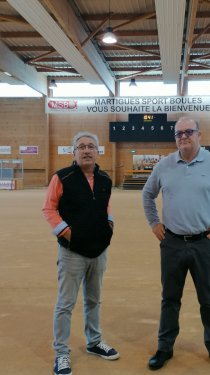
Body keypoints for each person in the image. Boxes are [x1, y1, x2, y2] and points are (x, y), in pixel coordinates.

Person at [142, 117, 210, 374]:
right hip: (172, 243)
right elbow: (147, 194)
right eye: (179, 133)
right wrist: (155, 221)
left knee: (209, 300)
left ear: (199, 134)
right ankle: (164, 348)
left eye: (188, 132)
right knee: (170, 299)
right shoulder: (164, 165)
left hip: (204, 244)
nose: (183, 136)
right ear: (175, 137)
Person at [42, 131, 119, 375]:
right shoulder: (62, 177)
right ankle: (61, 354)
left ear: (98, 152)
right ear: (74, 152)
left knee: (94, 300)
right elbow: (49, 208)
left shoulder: (105, 178)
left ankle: (94, 342)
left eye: (91, 146)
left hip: (99, 251)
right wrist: (67, 233)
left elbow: (105, 204)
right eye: (81, 146)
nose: (86, 150)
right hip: (72, 252)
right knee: (66, 304)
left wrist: (109, 223)